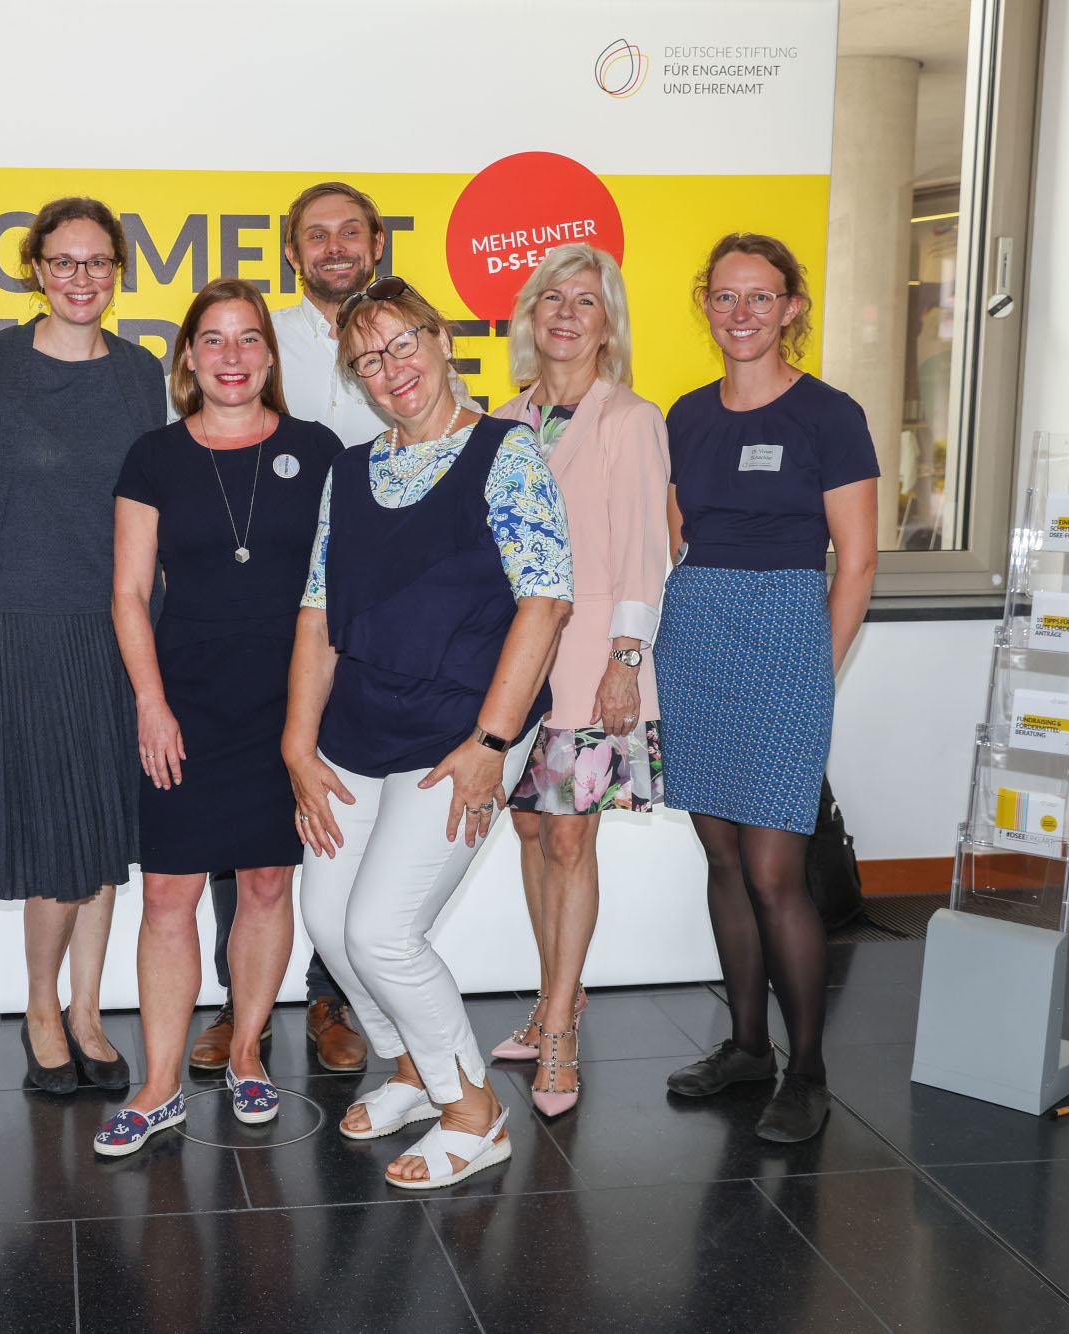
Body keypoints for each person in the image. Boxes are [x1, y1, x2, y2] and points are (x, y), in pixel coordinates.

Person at [288, 277, 573, 1189]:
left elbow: (546, 602)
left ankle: (472, 1110)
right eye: (368, 358)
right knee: (327, 919)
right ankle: (414, 1062)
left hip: (462, 731)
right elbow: (316, 610)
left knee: (380, 930)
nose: (390, 368)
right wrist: (298, 745)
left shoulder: (507, 453)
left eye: (402, 343)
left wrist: (493, 746)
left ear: (441, 338)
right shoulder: (350, 467)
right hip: (357, 727)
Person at [93, 280, 342, 1156]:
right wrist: (150, 704)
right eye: (213, 340)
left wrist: (312, 721)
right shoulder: (152, 456)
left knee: (269, 885)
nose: (231, 356)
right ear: (188, 358)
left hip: (285, 701)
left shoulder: (318, 451)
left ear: (270, 357)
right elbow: (128, 593)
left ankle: (245, 1052)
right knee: (169, 893)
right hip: (185, 699)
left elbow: (336, 588)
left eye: (247, 340)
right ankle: (159, 1084)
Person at [659, 233, 878, 1143]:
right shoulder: (685, 413)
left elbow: (858, 563)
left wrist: (809, 674)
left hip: (787, 632)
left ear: (791, 308)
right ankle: (747, 1046)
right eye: (724, 296)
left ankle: (810, 1070)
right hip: (697, 633)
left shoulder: (830, 415)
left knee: (775, 873)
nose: (740, 313)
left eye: (760, 297)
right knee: (719, 860)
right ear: (706, 306)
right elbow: (676, 538)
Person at [0, 197, 165, 1093]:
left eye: (99, 263)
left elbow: (156, 506)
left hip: (119, 624)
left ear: (117, 273)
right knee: (53, 837)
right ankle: (41, 1007)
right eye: (65, 262)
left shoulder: (142, 371)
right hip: (23, 625)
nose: (83, 279)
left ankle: (89, 1008)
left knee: (105, 829)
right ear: (35, 269)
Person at [191, 181, 388, 1075]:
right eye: (318, 235)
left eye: (351, 232)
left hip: (382, 618)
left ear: (377, 245)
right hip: (269, 621)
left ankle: (334, 998)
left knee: (349, 809)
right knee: (252, 819)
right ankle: (245, 1014)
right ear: (293, 250)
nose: (336, 247)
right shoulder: (263, 345)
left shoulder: (402, 339)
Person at [489, 244, 670, 1116]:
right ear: (530, 314)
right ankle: (553, 992)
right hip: (515, 659)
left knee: (571, 841)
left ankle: (559, 1028)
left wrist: (626, 664)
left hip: (596, 655)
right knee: (528, 828)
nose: (566, 312)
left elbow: (646, 547)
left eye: (586, 301)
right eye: (551, 297)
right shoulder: (499, 417)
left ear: (609, 324)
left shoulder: (632, 418)